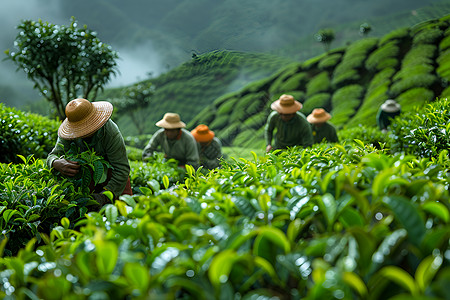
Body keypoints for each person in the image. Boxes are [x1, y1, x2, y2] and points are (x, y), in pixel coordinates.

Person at [46, 98, 132, 207]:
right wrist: (55, 163)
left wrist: (105, 196)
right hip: (86, 179)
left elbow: (122, 169)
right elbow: (52, 155)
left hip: (113, 176)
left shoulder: (110, 132)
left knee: (124, 210)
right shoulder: (68, 133)